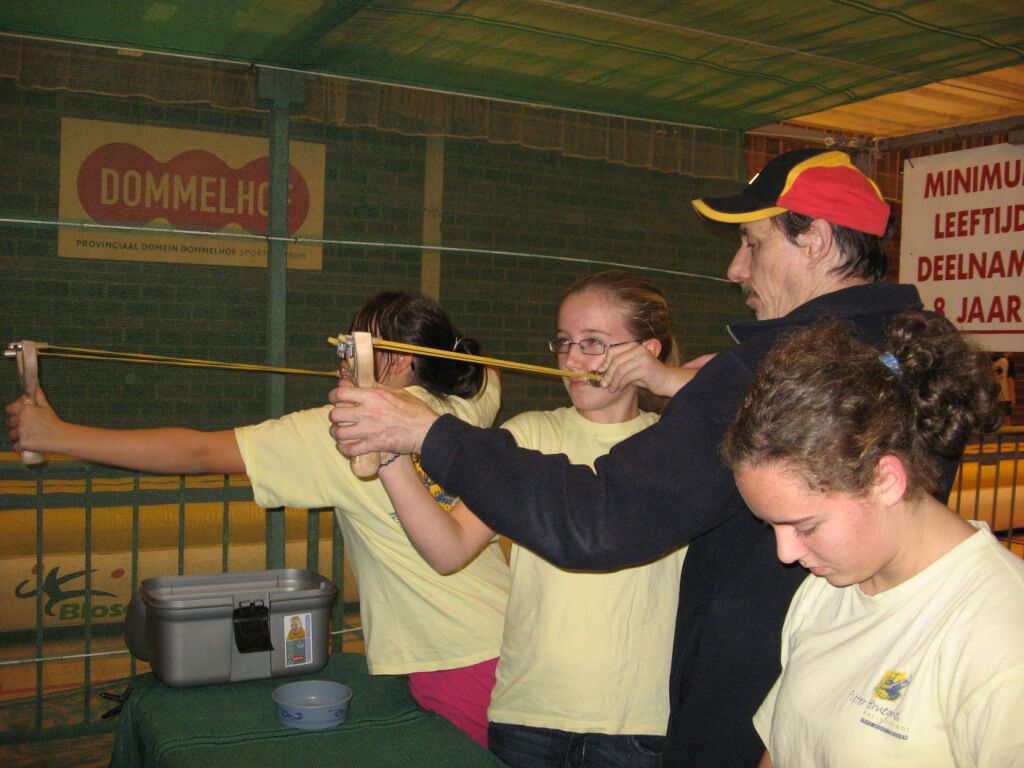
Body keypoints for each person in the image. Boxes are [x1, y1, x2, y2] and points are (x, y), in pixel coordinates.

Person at [326, 148, 968, 766]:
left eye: (753, 244)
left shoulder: (766, 374)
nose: (735, 269)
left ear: (818, 241)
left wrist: (431, 434)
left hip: (749, 711)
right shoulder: (921, 352)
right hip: (873, 694)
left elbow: (599, 519)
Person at [5, 291, 510, 748]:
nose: (341, 361)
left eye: (354, 348)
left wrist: (58, 436)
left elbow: (199, 452)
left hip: (457, 658)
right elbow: (485, 370)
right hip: (506, 630)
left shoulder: (338, 432)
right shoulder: (463, 404)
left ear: (399, 360)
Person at [374, 271, 688, 767]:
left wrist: (672, 381)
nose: (572, 360)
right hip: (528, 718)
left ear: (647, 352)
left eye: (593, 343)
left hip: (640, 727)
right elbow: (448, 548)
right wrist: (390, 451)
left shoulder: (677, 445)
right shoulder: (530, 434)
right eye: (564, 342)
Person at [721, 311, 1022, 767]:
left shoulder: (1001, 636)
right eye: (772, 526)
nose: (786, 553)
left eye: (805, 526)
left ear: (885, 481)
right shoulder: (825, 591)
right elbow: (785, 748)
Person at [993, 352, 1016, 421]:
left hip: (994, 396)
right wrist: (1013, 396)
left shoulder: (992, 361)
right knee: (1006, 420)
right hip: (1005, 396)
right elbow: (1010, 380)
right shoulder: (1008, 361)